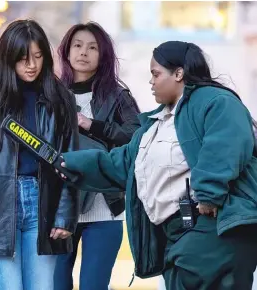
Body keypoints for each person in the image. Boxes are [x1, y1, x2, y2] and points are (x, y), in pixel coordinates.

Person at [57, 41, 257, 290]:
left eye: (156, 74)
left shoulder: (214, 100)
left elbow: (227, 142)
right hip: (179, 234)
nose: (151, 82)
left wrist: (209, 194)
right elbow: (119, 164)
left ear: (179, 73)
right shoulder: (154, 125)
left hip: (213, 225)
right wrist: (68, 162)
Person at [0, 19, 79, 290]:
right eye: (23, 59)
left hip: (42, 205)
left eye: (37, 56)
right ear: (8, 59)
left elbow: (70, 164)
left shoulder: (61, 100)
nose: (31, 65)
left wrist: (65, 216)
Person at [54, 21, 140, 290]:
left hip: (105, 208)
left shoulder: (117, 96)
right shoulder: (51, 95)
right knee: (55, 284)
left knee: (94, 285)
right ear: (67, 52)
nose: (83, 52)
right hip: (58, 208)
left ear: (102, 55)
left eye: (92, 47)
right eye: (77, 46)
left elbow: (137, 137)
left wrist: (93, 125)